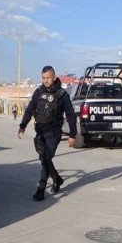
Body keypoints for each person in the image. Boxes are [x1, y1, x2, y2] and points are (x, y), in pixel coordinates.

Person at [18, 65, 77, 201]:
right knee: (44, 158)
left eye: (48, 78)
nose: (45, 80)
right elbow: (29, 109)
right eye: (43, 78)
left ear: (54, 77)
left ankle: (41, 189)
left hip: (54, 133)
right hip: (40, 132)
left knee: (45, 159)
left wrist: (72, 135)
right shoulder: (38, 92)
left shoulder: (62, 95)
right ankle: (57, 179)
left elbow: (70, 115)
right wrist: (23, 126)